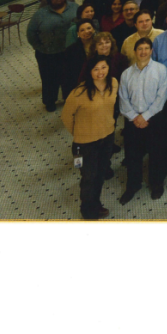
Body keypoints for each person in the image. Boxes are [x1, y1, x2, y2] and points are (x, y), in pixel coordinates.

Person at [61, 54, 118, 219]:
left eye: (104, 67)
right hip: (84, 144)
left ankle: (96, 203)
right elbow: (66, 117)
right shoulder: (79, 93)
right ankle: (88, 210)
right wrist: (79, 132)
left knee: (100, 174)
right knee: (88, 178)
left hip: (107, 138)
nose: (100, 72)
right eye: (96, 69)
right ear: (89, 71)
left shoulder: (113, 83)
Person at [117, 37, 167, 204]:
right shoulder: (126, 74)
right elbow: (123, 99)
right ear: (135, 52)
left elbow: (162, 97)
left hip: (154, 118)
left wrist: (145, 116)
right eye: (140, 49)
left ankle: (156, 184)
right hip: (132, 120)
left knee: (156, 153)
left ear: (151, 51)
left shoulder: (161, 70)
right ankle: (133, 185)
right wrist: (135, 117)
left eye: (147, 48)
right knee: (132, 155)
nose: (143, 52)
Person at [28, 0, 80, 107]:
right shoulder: (41, 13)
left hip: (69, 51)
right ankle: (50, 102)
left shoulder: (74, 7)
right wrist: (39, 46)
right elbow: (31, 32)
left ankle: (69, 99)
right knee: (49, 79)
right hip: (47, 53)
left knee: (69, 77)